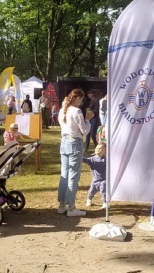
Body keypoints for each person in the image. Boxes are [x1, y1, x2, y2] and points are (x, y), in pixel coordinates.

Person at [57, 88, 93, 217]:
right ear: (77, 98)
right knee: (73, 175)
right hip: (74, 142)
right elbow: (84, 130)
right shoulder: (76, 111)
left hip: (65, 141)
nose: (81, 102)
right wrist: (88, 119)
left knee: (64, 174)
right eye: (81, 99)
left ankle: (62, 205)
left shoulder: (62, 110)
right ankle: (71, 207)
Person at [84, 143, 107, 209]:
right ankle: (89, 200)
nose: (98, 150)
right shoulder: (92, 159)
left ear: (104, 151)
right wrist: (79, 156)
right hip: (94, 181)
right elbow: (85, 160)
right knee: (91, 191)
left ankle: (105, 203)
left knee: (103, 191)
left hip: (103, 180)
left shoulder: (106, 160)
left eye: (100, 149)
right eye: (97, 148)